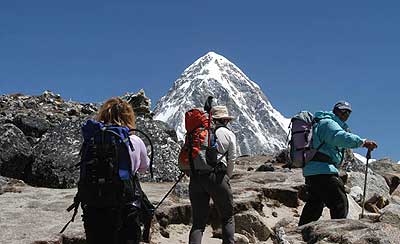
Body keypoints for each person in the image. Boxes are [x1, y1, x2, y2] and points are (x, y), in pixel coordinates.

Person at [298, 101, 378, 226]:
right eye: (343, 111)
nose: (346, 114)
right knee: (339, 202)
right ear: (335, 111)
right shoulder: (328, 123)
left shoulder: (323, 122)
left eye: (348, 112)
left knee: (315, 203)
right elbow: (339, 137)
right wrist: (362, 142)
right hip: (323, 170)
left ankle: (301, 231)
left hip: (313, 170)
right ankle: (338, 231)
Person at [82, 97, 150, 244]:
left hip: (94, 206)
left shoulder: (93, 139)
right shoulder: (134, 141)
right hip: (125, 208)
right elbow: (144, 167)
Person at [189, 105, 238, 244]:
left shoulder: (199, 132)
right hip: (217, 177)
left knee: (198, 223)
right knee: (227, 217)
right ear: (226, 120)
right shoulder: (228, 134)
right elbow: (232, 158)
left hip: (196, 178)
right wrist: (227, 176)